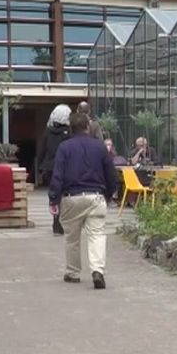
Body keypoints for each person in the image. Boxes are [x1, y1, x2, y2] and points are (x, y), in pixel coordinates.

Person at [49, 112, 118, 289]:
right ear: (88, 127)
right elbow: (111, 173)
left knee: (72, 238)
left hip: (71, 198)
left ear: (70, 128)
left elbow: (57, 175)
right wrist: (110, 194)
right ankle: (97, 270)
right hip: (96, 197)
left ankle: (73, 272)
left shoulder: (64, 148)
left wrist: (54, 199)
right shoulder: (100, 147)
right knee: (97, 235)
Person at [38, 104, 72, 235]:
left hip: (50, 168)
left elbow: (42, 151)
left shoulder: (47, 131)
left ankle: (56, 221)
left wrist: (40, 167)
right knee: (66, 195)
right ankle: (65, 220)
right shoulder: (69, 133)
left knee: (54, 196)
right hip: (66, 168)